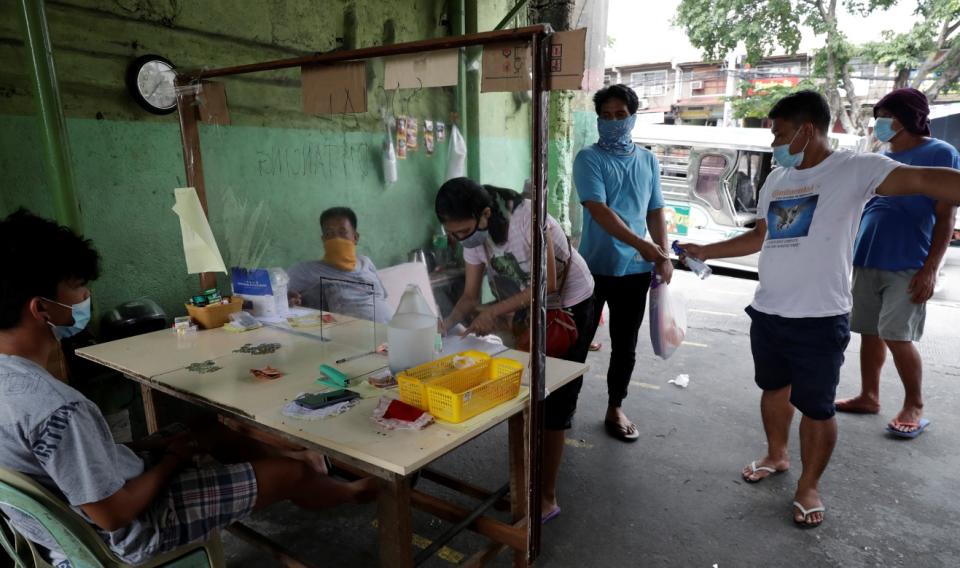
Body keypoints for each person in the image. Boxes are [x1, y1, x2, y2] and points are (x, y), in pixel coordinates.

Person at [0, 210, 375, 566]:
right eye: (77, 287)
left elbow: (68, 460)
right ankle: (341, 489)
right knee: (287, 476)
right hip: (134, 529)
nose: (85, 298)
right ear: (41, 309)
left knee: (206, 427)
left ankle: (294, 465)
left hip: (80, 513)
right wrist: (172, 460)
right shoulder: (58, 409)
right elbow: (114, 514)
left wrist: (147, 447)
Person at [677, 90, 960, 528]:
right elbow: (760, 237)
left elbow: (925, 181)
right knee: (773, 390)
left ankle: (808, 485)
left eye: (780, 133)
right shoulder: (777, 179)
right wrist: (706, 249)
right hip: (769, 311)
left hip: (819, 316)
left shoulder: (856, 168)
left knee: (818, 407)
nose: (774, 143)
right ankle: (777, 455)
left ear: (807, 131)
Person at [435, 178, 595, 522]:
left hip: (567, 307)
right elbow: (469, 297)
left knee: (554, 401)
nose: (459, 239)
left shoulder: (527, 218)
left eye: (462, 231)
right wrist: (444, 326)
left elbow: (547, 284)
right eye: (453, 233)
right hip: (532, 309)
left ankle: (546, 498)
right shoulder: (474, 237)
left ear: (485, 214)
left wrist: (495, 311)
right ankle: (528, 485)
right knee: (531, 396)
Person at [835, 88, 959, 438]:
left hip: (908, 260)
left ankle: (914, 405)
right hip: (867, 256)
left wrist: (930, 269)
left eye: (885, 117)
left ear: (905, 118)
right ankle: (868, 396)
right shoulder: (882, 154)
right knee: (869, 331)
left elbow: (946, 216)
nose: (879, 124)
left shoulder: (940, 153)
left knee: (897, 335)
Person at [572, 84, 673, 442]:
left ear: (632, 117)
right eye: (606, 115)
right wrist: (643, 245)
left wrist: (661, 254)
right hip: (592, 270)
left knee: (625, 345)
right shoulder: (589, 158)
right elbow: (598, 210)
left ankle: (615, 406)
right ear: (598, 119)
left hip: (635, 272)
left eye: (620, 115)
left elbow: (655, 208)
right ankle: (562, 409)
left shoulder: (647, 160)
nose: (613, 121)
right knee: (576, 343)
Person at [287, 207, 391, 323]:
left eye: (342, 233)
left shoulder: (365, 262)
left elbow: (382, 297)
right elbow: (276, 297)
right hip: (351, 337)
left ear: (355, 238)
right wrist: (288, 299)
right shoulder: (305, 270)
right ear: (323, 239)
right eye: (329, 233)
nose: (336, 238)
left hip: (392, 331)